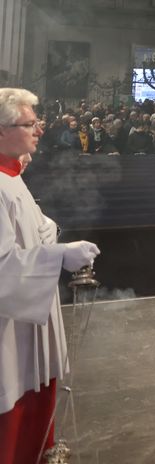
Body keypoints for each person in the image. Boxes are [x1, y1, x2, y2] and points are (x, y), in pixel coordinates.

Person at [0, 88, 101, 464]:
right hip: (9, 328)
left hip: (27, 321)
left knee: (36, 390)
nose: (39, 130)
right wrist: (60, 255)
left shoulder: (11, 177)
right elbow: (3, 268)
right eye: (30, 124)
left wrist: (46, 229)